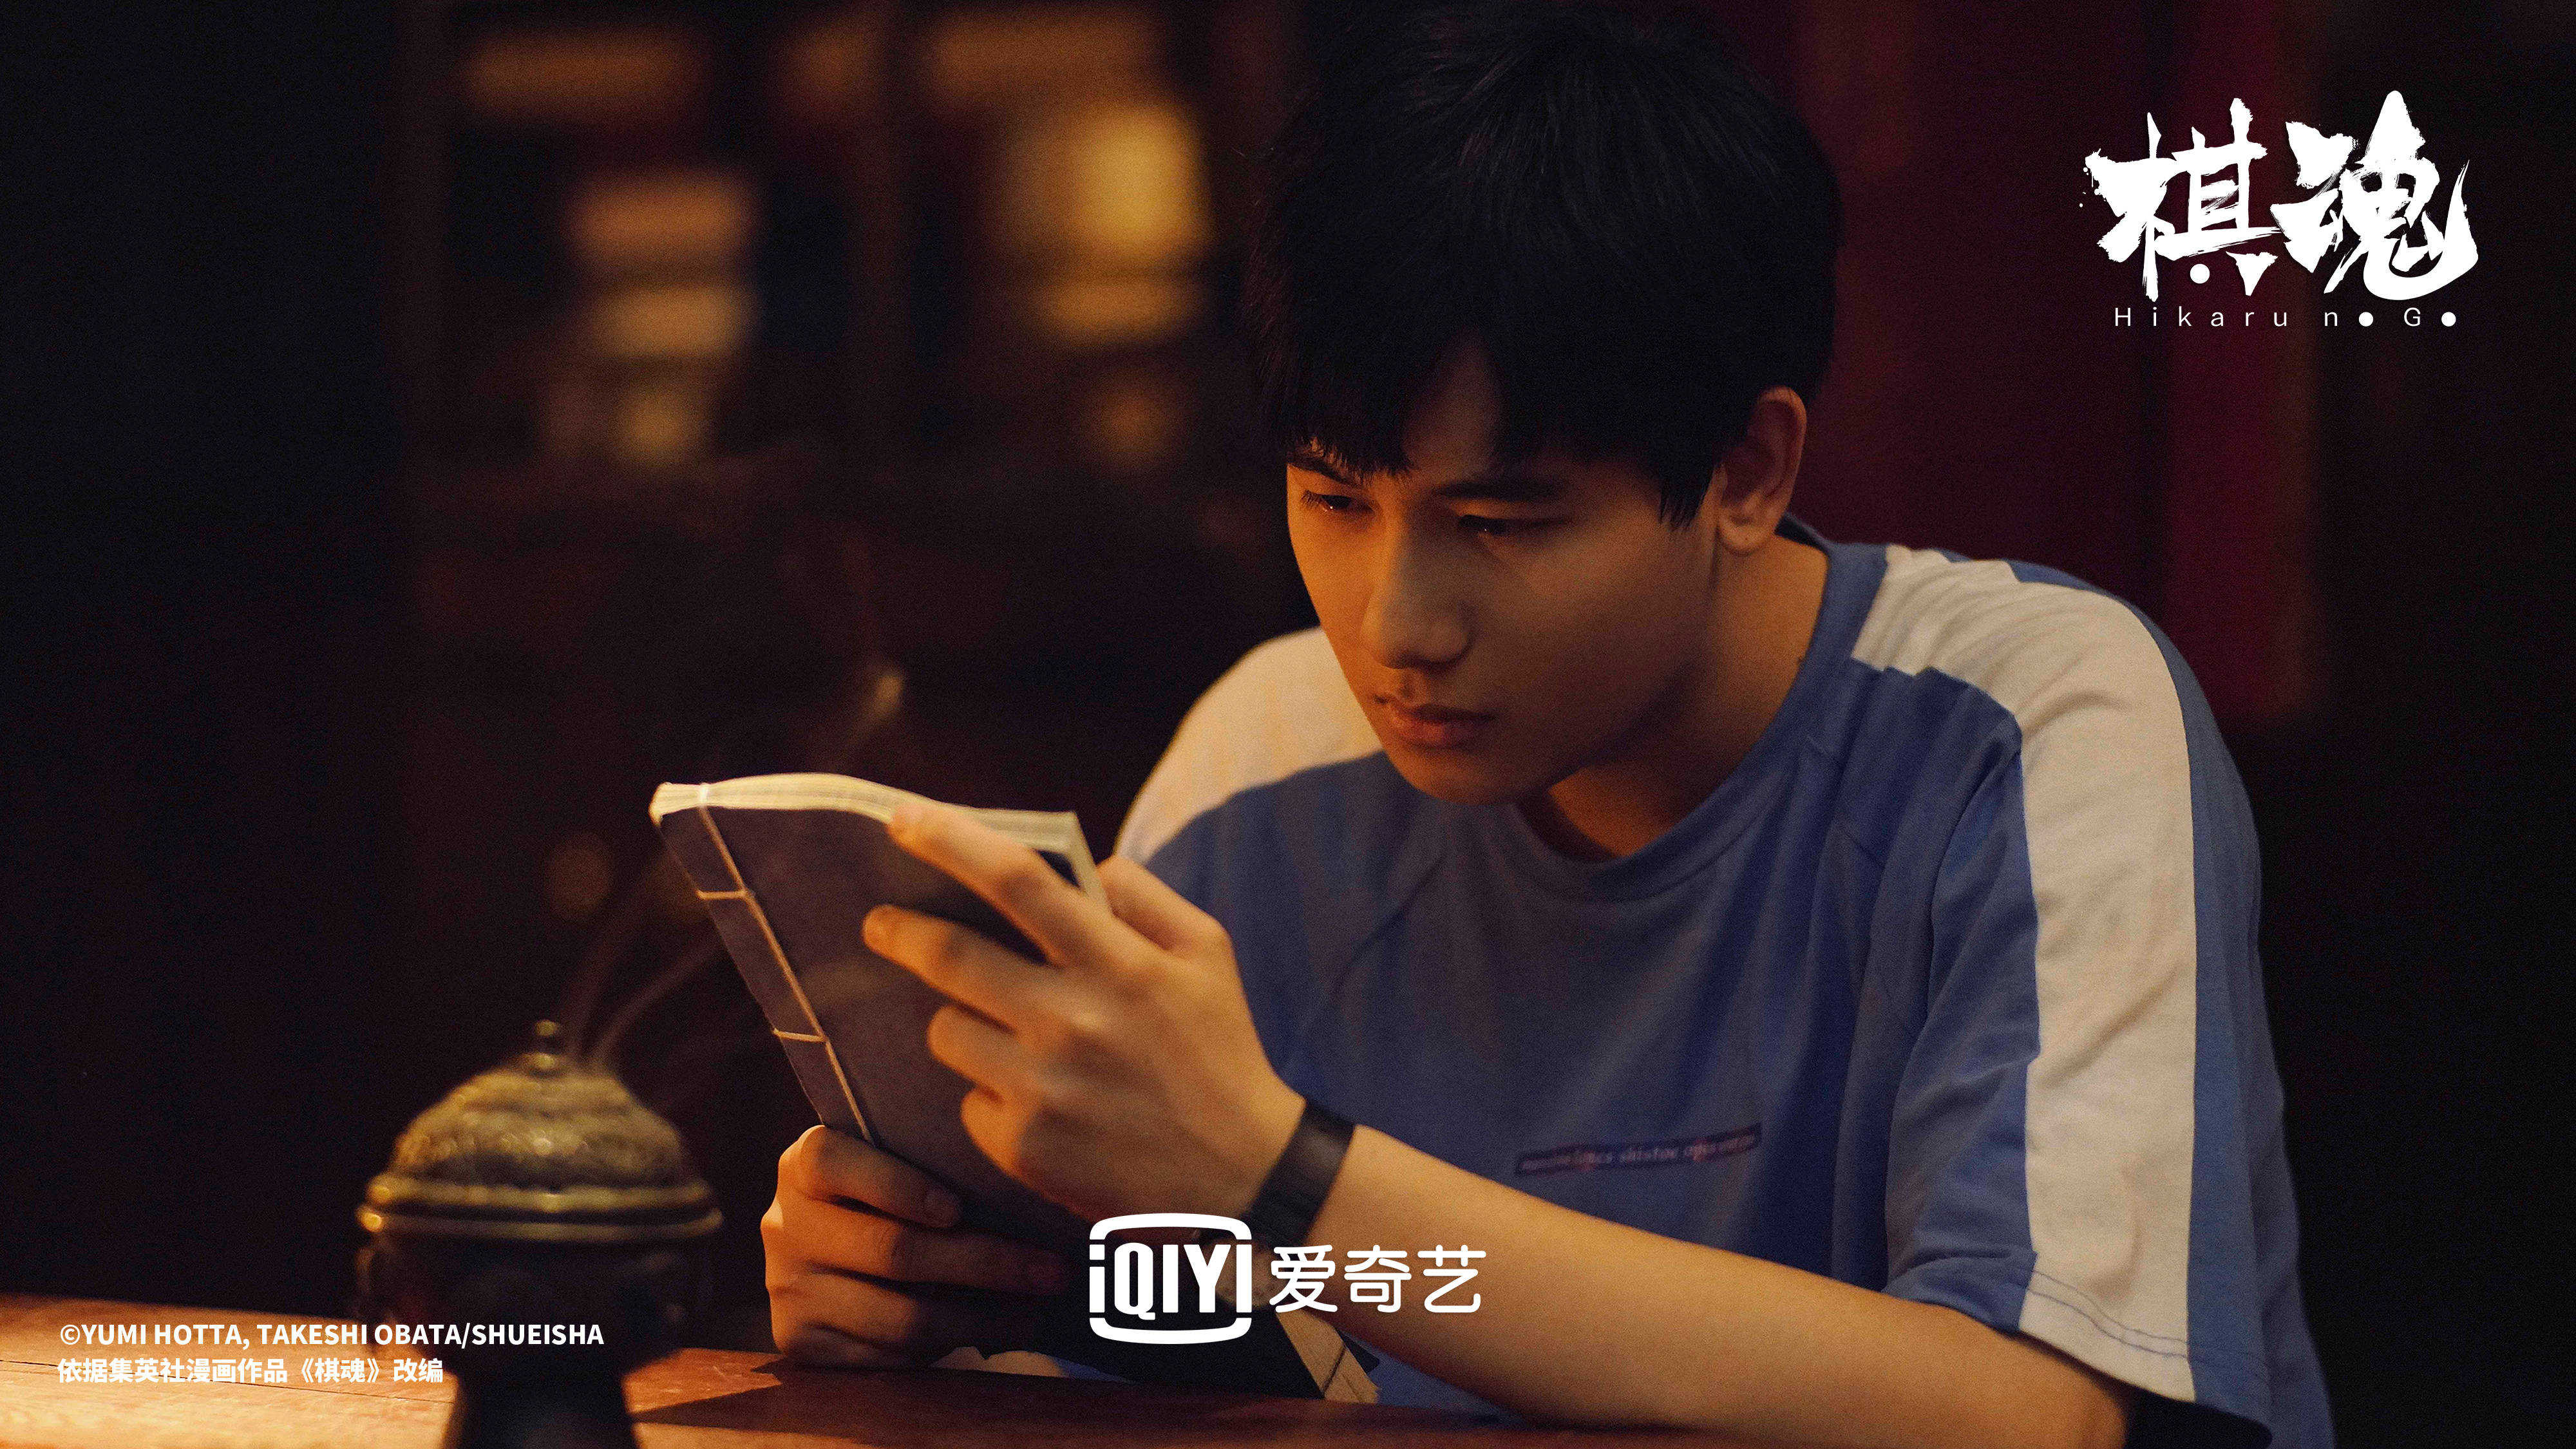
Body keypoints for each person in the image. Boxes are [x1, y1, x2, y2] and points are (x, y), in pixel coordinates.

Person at [759, 5, 2331, 1445]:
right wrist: (938, 1296)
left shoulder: (2026, 723)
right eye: (1333, 501)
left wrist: (1285, 1180)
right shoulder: (1269, 760)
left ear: (1746, 473)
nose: (1394, 624)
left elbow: (2035, 1415)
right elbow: (1174, 1342)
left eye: (1500, 523)